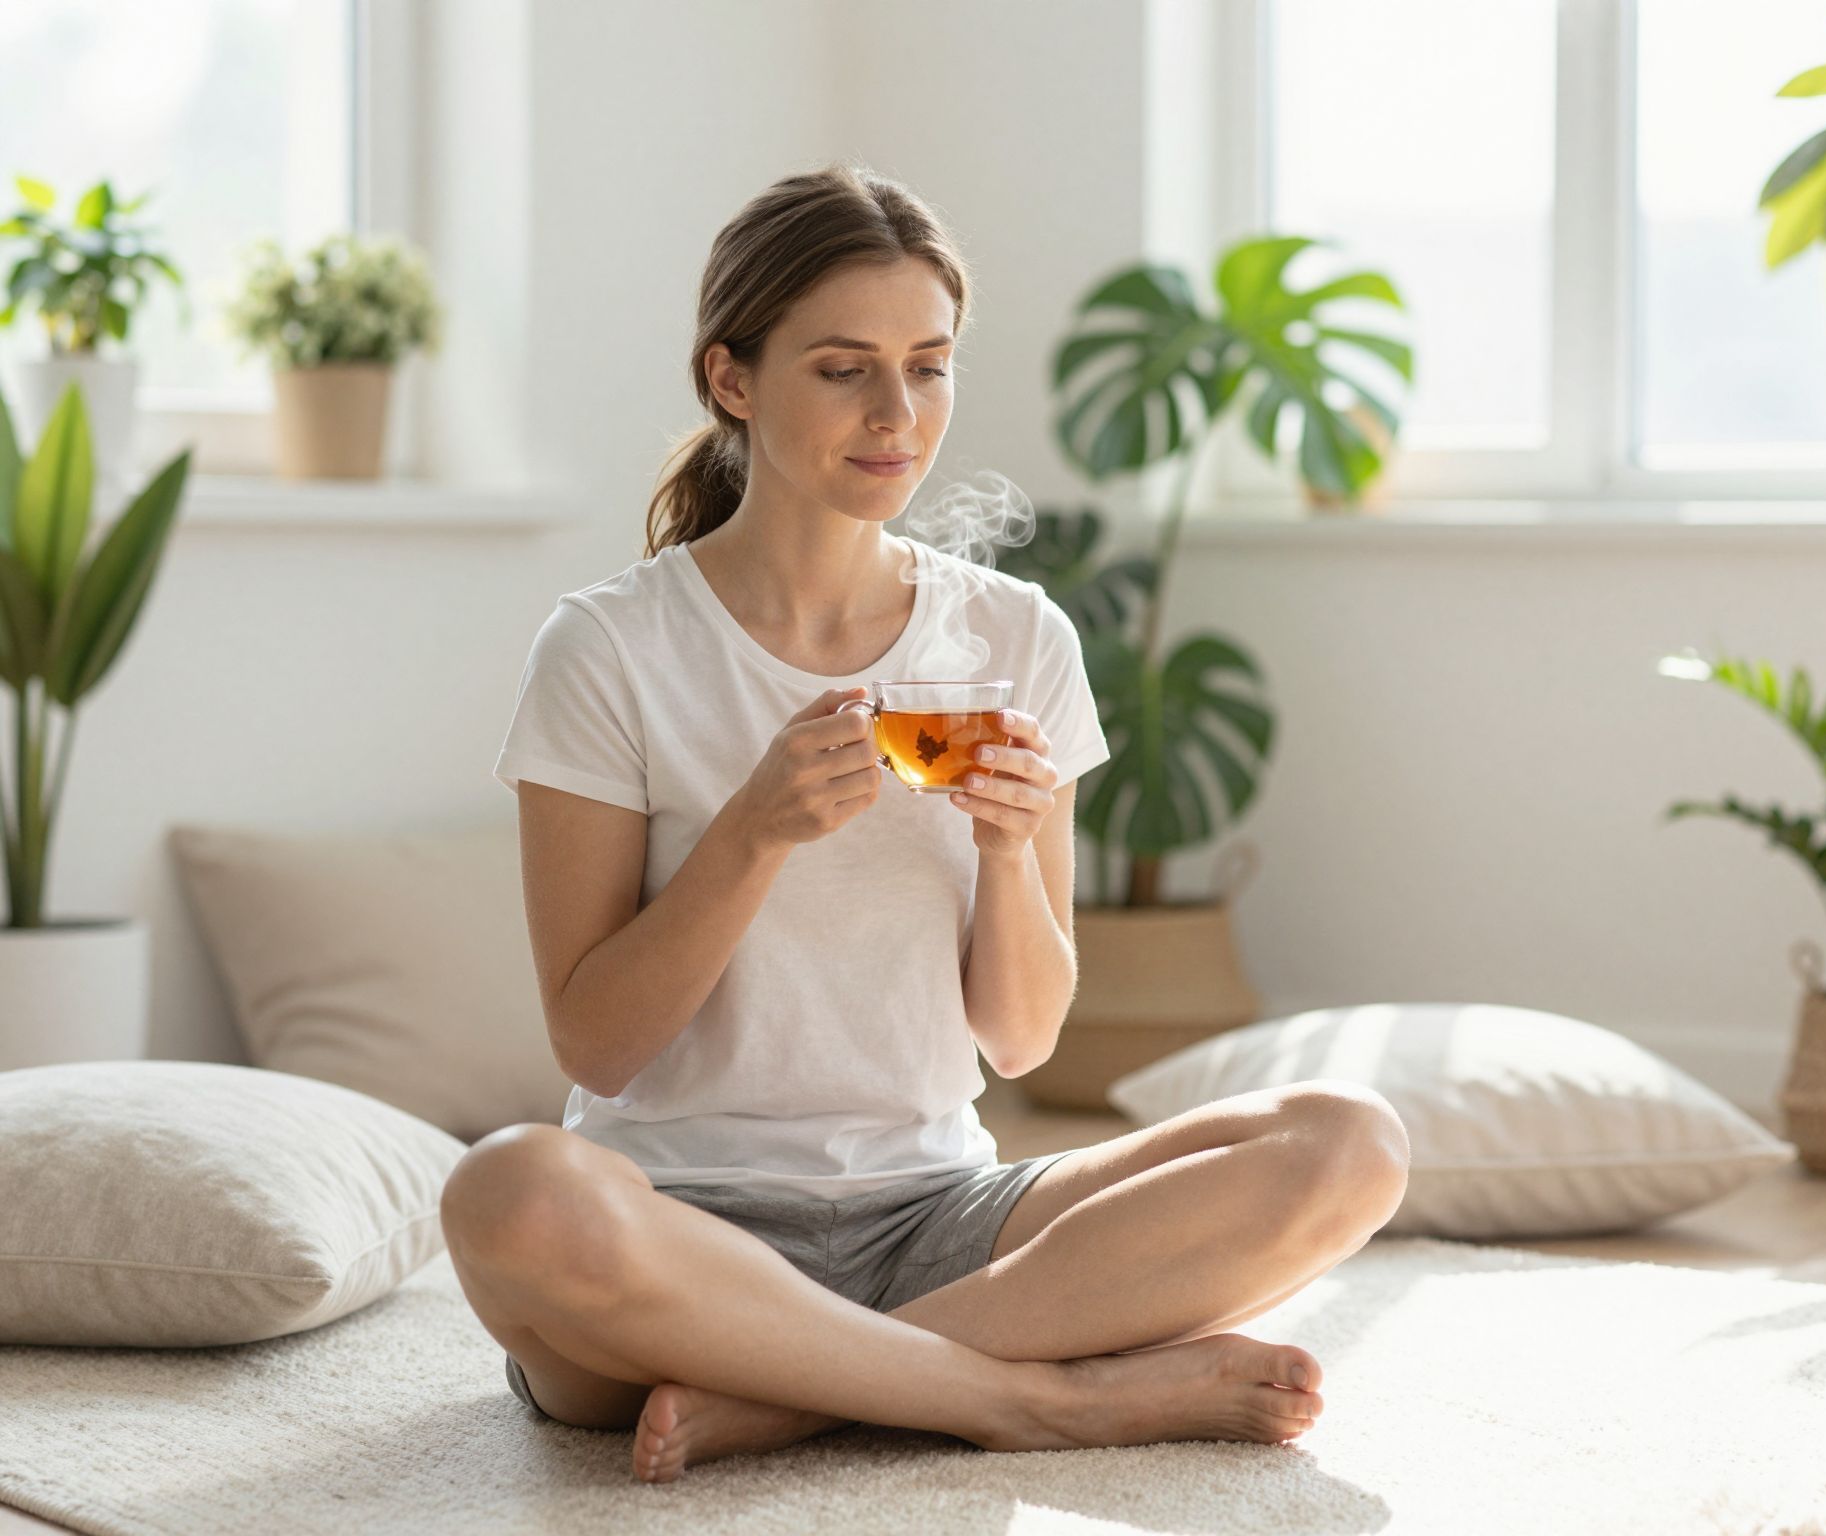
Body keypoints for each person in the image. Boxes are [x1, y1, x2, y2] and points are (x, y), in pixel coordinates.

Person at [439, 161, 1411, 1484]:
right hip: (675, 1230)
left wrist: (1008, 854)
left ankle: (784, 1400)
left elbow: (1021, 1035)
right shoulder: (610, 647)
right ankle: (1034, 1401)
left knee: (1348, 1144)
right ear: (732, 379)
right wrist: (751, 837)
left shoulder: (1015, 637)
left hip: (939, 1213)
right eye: (844, 369)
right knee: (510, 1194)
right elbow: (598, 1046)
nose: (898, 414)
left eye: (930, 367)